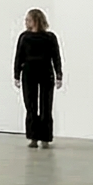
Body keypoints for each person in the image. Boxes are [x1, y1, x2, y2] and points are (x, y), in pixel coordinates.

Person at [13, 8, 62, 147]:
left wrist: (59, 75)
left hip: (46, 73)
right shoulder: (24, 37)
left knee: (46, 106)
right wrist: (16, 75)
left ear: (36, 20)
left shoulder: (50, 37)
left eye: (28, 19)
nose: (26, 22)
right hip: (29, 73)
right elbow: (19, 56)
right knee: (31, 106)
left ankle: (45, 138)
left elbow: (56, 57)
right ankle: (33, 138)